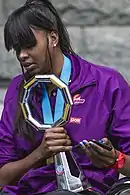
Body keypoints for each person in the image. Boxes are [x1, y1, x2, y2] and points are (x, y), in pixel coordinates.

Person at [0, 0, 130, 194]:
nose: (22, 55)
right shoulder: (17, 89)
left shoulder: (106, 83)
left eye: (29, 45)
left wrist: (114, 159)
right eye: (17, 49)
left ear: (53, 37)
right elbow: (2, 177)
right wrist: (39, 154)